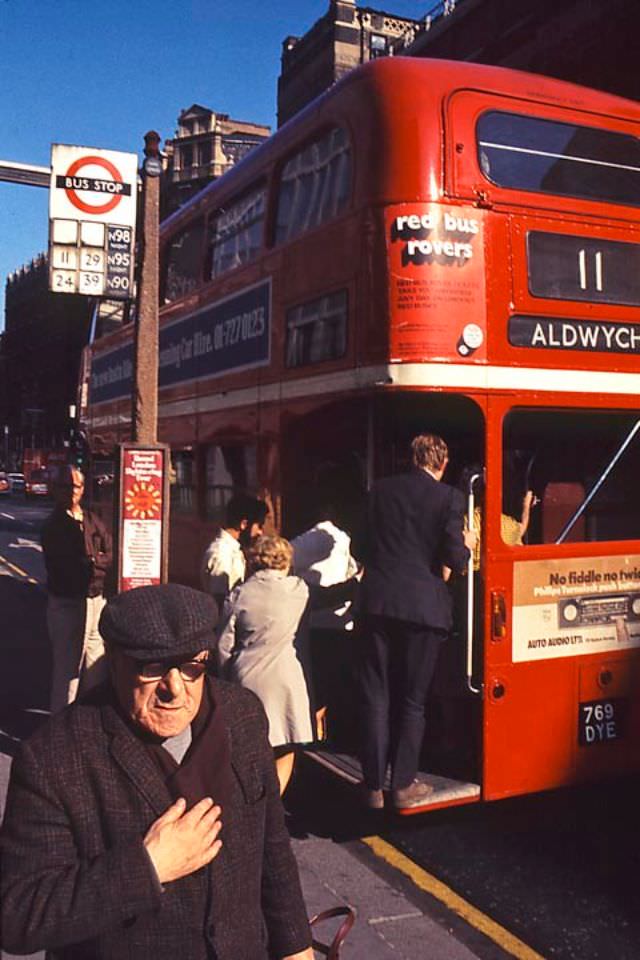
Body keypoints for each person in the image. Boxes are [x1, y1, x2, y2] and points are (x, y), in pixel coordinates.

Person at [0, 583, 313, 960]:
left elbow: (273, 850)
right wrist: (146, 867)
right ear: (113, 659)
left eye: (192, 668)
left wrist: (296, 947)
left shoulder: (243, 716)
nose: (175, 690)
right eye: (153, 668)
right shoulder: (54, 758)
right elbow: (18, 916)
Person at [357, 433, 475, 811]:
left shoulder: (379, 491)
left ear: (412, 458)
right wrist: (468, 542)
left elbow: (360, 548)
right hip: (424, 610)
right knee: (412, 701)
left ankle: (373, 787)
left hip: (376, 603)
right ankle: (402, 784)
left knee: (376, 695)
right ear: (442, 463)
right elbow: (456, 561)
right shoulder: (449, 498)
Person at [216, 536, 315, 795]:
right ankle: (274, 800)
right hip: (285, 678)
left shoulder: (239, 594)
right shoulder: (299, 590)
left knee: (250, 745)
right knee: (285, 747)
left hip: (246, 678)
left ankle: (252, 800)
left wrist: (227, 677)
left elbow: (223, 646)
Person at [41, 464, 113, 713]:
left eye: (77, 486)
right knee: (68, 670)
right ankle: (60, 727)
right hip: (67, 604)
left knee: (96, 667)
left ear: (83, 490)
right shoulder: (53, 526)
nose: (72, 491)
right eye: (65, 486)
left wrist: (93, 563)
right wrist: (94, 562)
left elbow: (109, 554)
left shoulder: (93, 520)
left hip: (95, 601)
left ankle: (89, 723)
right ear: (56, 490)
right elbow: (65, 566)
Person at [200, 493, 268, 609]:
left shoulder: (233, 550)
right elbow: (220, 602)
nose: (260, 532)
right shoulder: (222, 553)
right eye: (259, 526)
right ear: (244, 524)